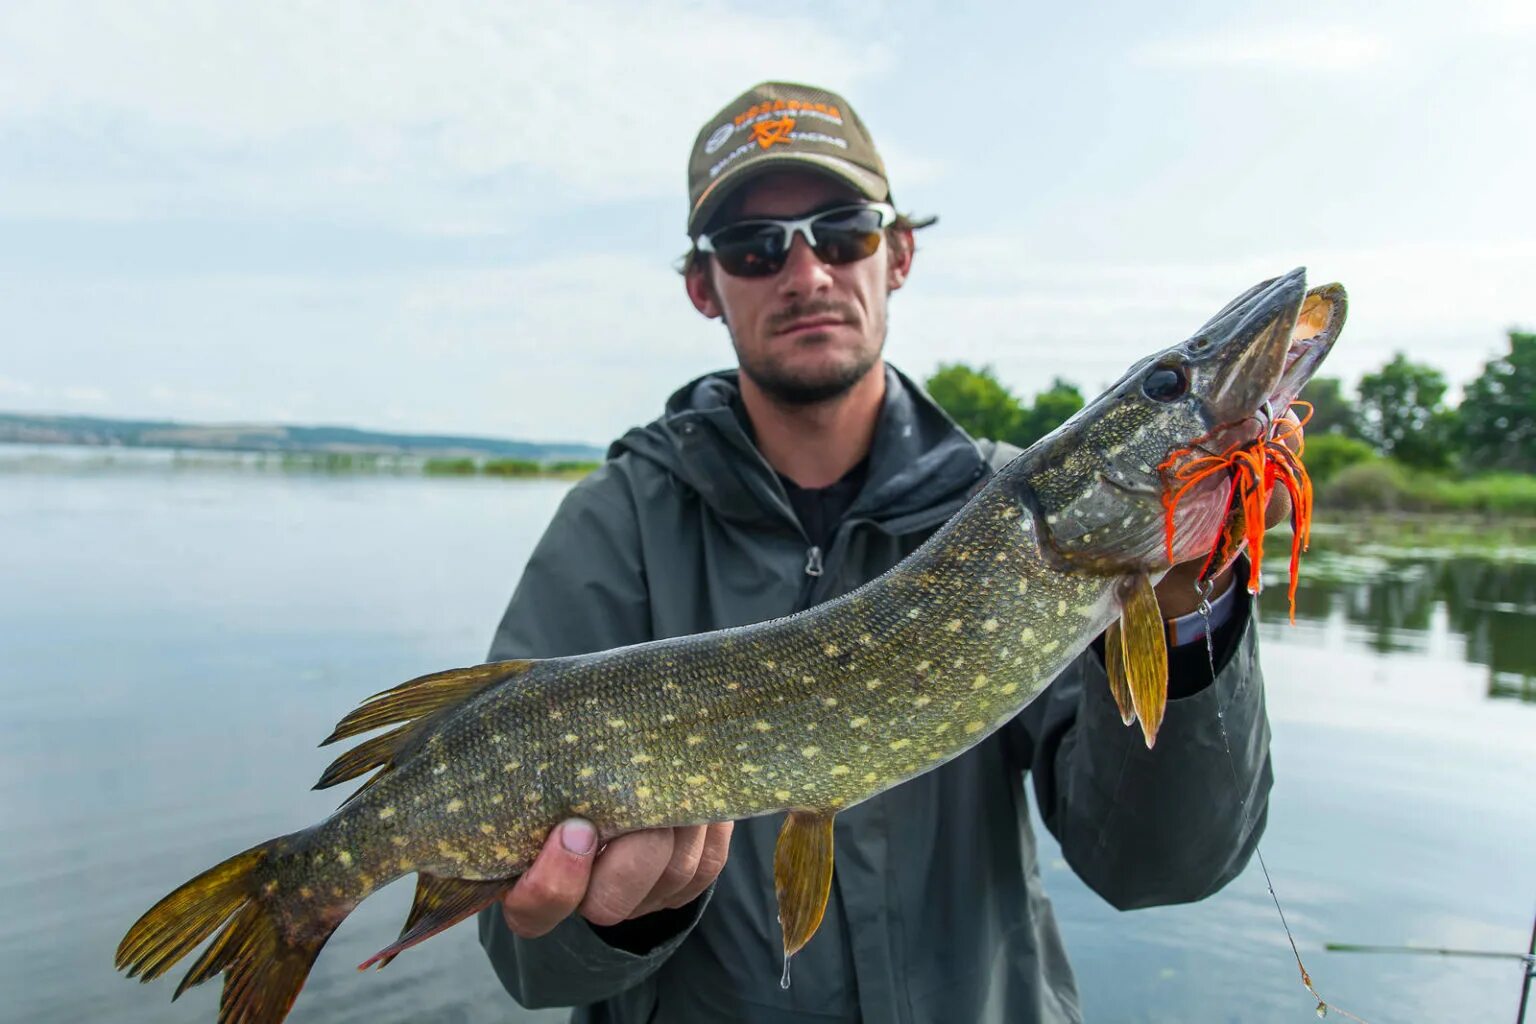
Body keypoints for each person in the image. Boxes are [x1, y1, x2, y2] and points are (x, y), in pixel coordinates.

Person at [478, 81, 1275, 1024]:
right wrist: (606, 923)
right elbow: (523, 962)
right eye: (754, 246)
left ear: (897, 254)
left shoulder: (1022, 518)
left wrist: (1192, 618)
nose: (807, 273)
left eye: (844, 230)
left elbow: (1158, 868)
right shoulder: (618, 528)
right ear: (705, 287)